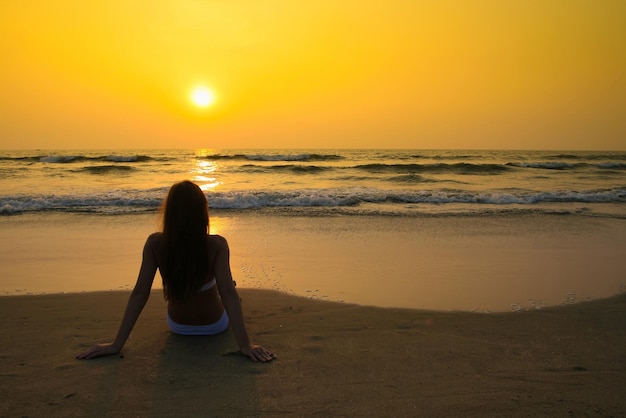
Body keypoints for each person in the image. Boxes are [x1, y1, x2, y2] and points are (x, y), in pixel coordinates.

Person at [76, 181, 275, 362]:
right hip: (215, 326)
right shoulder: (216, 244)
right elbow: (228, 295)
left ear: (169, 212)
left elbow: (140, 293)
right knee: (230, 288)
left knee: (218, 287)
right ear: (201, 212)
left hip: (178, 326)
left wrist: (116, 345)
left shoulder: (155, 244)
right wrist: (245, 345)